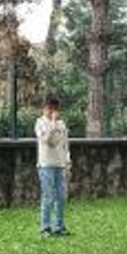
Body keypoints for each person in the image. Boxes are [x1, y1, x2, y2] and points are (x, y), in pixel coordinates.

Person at [35, 95, 71, 237]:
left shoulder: (62, 125)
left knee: (61, 197)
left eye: (55, 109)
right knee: (48, 196)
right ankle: (45, 227)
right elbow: (47, 141)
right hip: (46, 165)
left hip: (60, 164)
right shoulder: (40, 123)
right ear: (44, 108)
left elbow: (64, 145)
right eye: (50, 108)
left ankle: (59, 226)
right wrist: (53, 123)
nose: (52, 111)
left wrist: (68, 162)